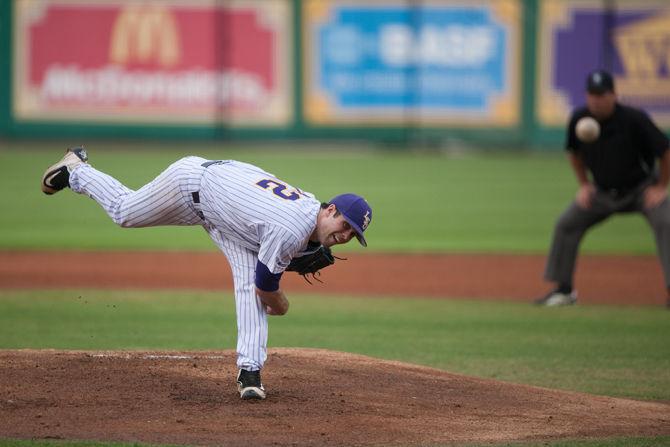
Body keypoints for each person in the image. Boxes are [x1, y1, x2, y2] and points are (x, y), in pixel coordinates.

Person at [41, 148, 373, 399]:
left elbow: (265, 269)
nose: (344, 236)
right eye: (344, 225)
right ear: (330, 209)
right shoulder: (291, 227)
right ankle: (76, 171)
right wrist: (282, 304)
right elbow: (268, 286)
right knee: (124, 212)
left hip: (229, 214)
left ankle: (250, 372)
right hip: (190, 186)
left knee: (247, 284)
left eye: (351, 235)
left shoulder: (308, 209)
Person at [536, 69, 670, 307]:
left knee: (667, 222)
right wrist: (585, 185)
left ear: (613, 95)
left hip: (641, 190)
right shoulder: (579, 119)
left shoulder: (633, 119)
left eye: (602, 94)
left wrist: (661, 186)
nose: (596, 100)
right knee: (567, 224)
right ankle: (563, 290)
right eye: (592, 94)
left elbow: (665, 151)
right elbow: (573, 154)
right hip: (602, 192)